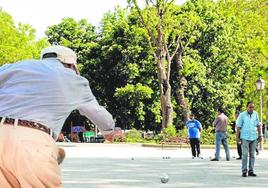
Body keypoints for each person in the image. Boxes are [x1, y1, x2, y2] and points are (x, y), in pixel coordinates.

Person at [0, 45, 115, 187]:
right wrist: (109, 131)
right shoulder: (75, 80)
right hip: (32, 144)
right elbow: (98, 113)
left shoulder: (13, 67)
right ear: (71, 65)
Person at [236, 101, 262, 177]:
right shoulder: (242, 115)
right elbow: (238, 127)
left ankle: (251, 171)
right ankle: (244, 171)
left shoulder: (255, 114)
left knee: (252, 155)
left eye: (253, 107)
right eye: (250, 107)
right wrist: (237, 138)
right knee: (244, 155)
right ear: (247, 107)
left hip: (254, 137)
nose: (251, 109)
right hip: (245, 137)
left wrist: (260, 135)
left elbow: (258, 125)